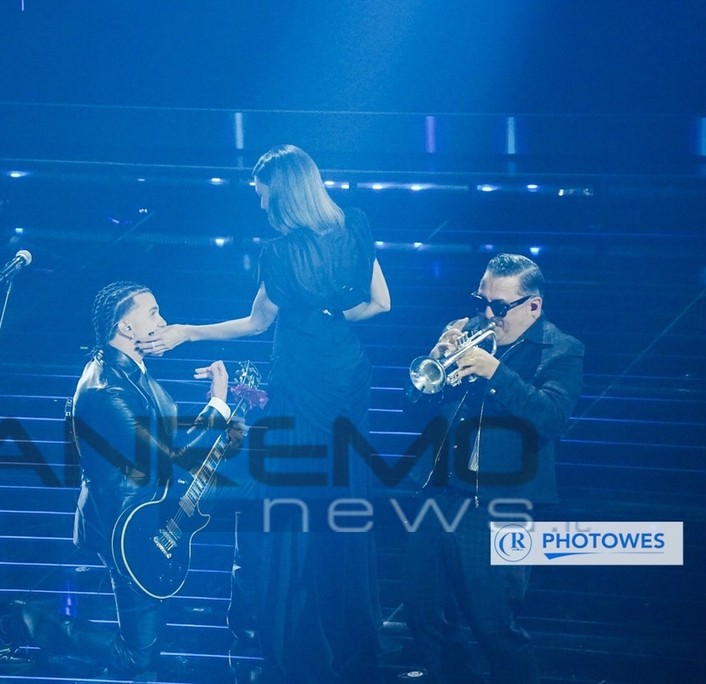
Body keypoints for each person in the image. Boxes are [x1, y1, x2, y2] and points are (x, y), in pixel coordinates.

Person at [137, 144, 391, 683]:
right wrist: (329, 316)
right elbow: (380, 304)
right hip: (348, 375)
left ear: (283, 192)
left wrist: (187, 332)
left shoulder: (280, 252)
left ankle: (296, 650)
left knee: (289, 518)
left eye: (262, 193)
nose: (259, 203)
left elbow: (256, 324)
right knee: (342, 506)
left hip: (300, 380)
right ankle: (352, 645)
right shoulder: (356, 223)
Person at [0, 280, 243, 678]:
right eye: (153, 313)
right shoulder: (106, 388)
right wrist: (217, 405)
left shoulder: (130, 370)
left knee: (143, 645)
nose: (163, 321)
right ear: (126, 328)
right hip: (124, 524)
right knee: (137, 656)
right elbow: (169, 460)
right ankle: (13, 618)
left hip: (147, 515)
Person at [401, 253, 584, 683]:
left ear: (533, 306)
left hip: (499, 506)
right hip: (438, 493)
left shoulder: (560, 349)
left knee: (493, 625)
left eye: (499, 306)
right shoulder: (466, 332)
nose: (487, 314)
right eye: (482, 300)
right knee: (424, 614)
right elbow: (413, 409)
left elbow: (552, 418)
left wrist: (496, 373)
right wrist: (436, 363)